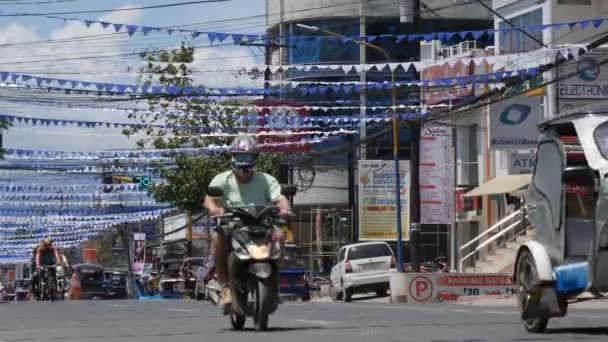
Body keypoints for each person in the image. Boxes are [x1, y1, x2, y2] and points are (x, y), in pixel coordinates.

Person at [203, 134, 290, 314]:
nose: (245, 163)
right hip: (231, 226)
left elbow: (280, 198)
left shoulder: (267, 180)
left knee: (281, 235)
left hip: (262, 226)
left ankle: (274, 287)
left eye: (249, 157)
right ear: (232, 158)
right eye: (240, 157)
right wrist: (215, 209)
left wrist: (284, 209)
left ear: (255, 159)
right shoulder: (222, 180)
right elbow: (210, 199)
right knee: (217, 238)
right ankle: (226, 288)